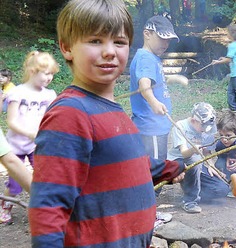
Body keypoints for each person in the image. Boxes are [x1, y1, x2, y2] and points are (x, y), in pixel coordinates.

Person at [29, 0, 184, 246]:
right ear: (67, 47)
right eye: (95, 41)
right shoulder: (71, 114)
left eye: (119, 42)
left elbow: (124, 164)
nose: (110, 50)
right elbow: (49, 207)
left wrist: (169, 168)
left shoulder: (114, 112)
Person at [1, 51, 59, 224]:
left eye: (52, 74)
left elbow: (53, 117)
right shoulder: (17, 93)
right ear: (33, 71)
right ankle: (5, 206)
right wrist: (30, 133)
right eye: (46, 73)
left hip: (38, 145)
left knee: (45, 177)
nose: (49, 78)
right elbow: (11, 122)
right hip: (16, 148)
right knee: (15, 185)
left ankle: (44, 208)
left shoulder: (49, 95)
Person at [130, 15, 179, 161]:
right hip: (151, 128)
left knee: (152, 169)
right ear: (147, 34)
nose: (166, 43)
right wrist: (154, 102)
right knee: (156, 173)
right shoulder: (146, 58)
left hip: (155, 127)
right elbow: (144, 86)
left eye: (168, 40)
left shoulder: (150, 57)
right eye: (162, 38)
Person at [168, 102, 229, 213]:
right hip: (178, 163)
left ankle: (191, 186)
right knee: (195, 160)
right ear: (193, 121)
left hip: (197, 165)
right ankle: (189, 201)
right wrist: (193, 149)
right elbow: (184, 153)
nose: (205, 130)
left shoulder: (207, 129)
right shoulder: (180, 126)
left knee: (222, 189)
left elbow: (206, 153)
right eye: (203, 127)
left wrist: (211, 165)